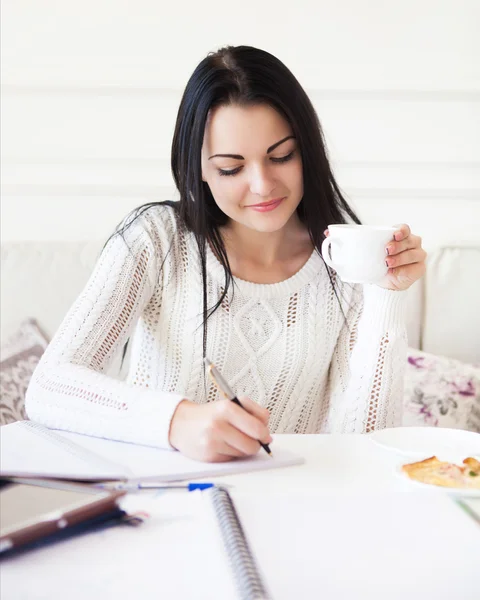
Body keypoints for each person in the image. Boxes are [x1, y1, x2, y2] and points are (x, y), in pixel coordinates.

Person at [26, 45, 426, 462]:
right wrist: (176, 421)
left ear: (307, 150)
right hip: (162, 503)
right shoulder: (156, 241)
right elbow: (49, 388)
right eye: (231, 168)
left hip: (294, 505)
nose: (262, 185)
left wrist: (386, 294)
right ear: (197, 168)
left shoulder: (345, 263)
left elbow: (362, 450)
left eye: (282, 156)